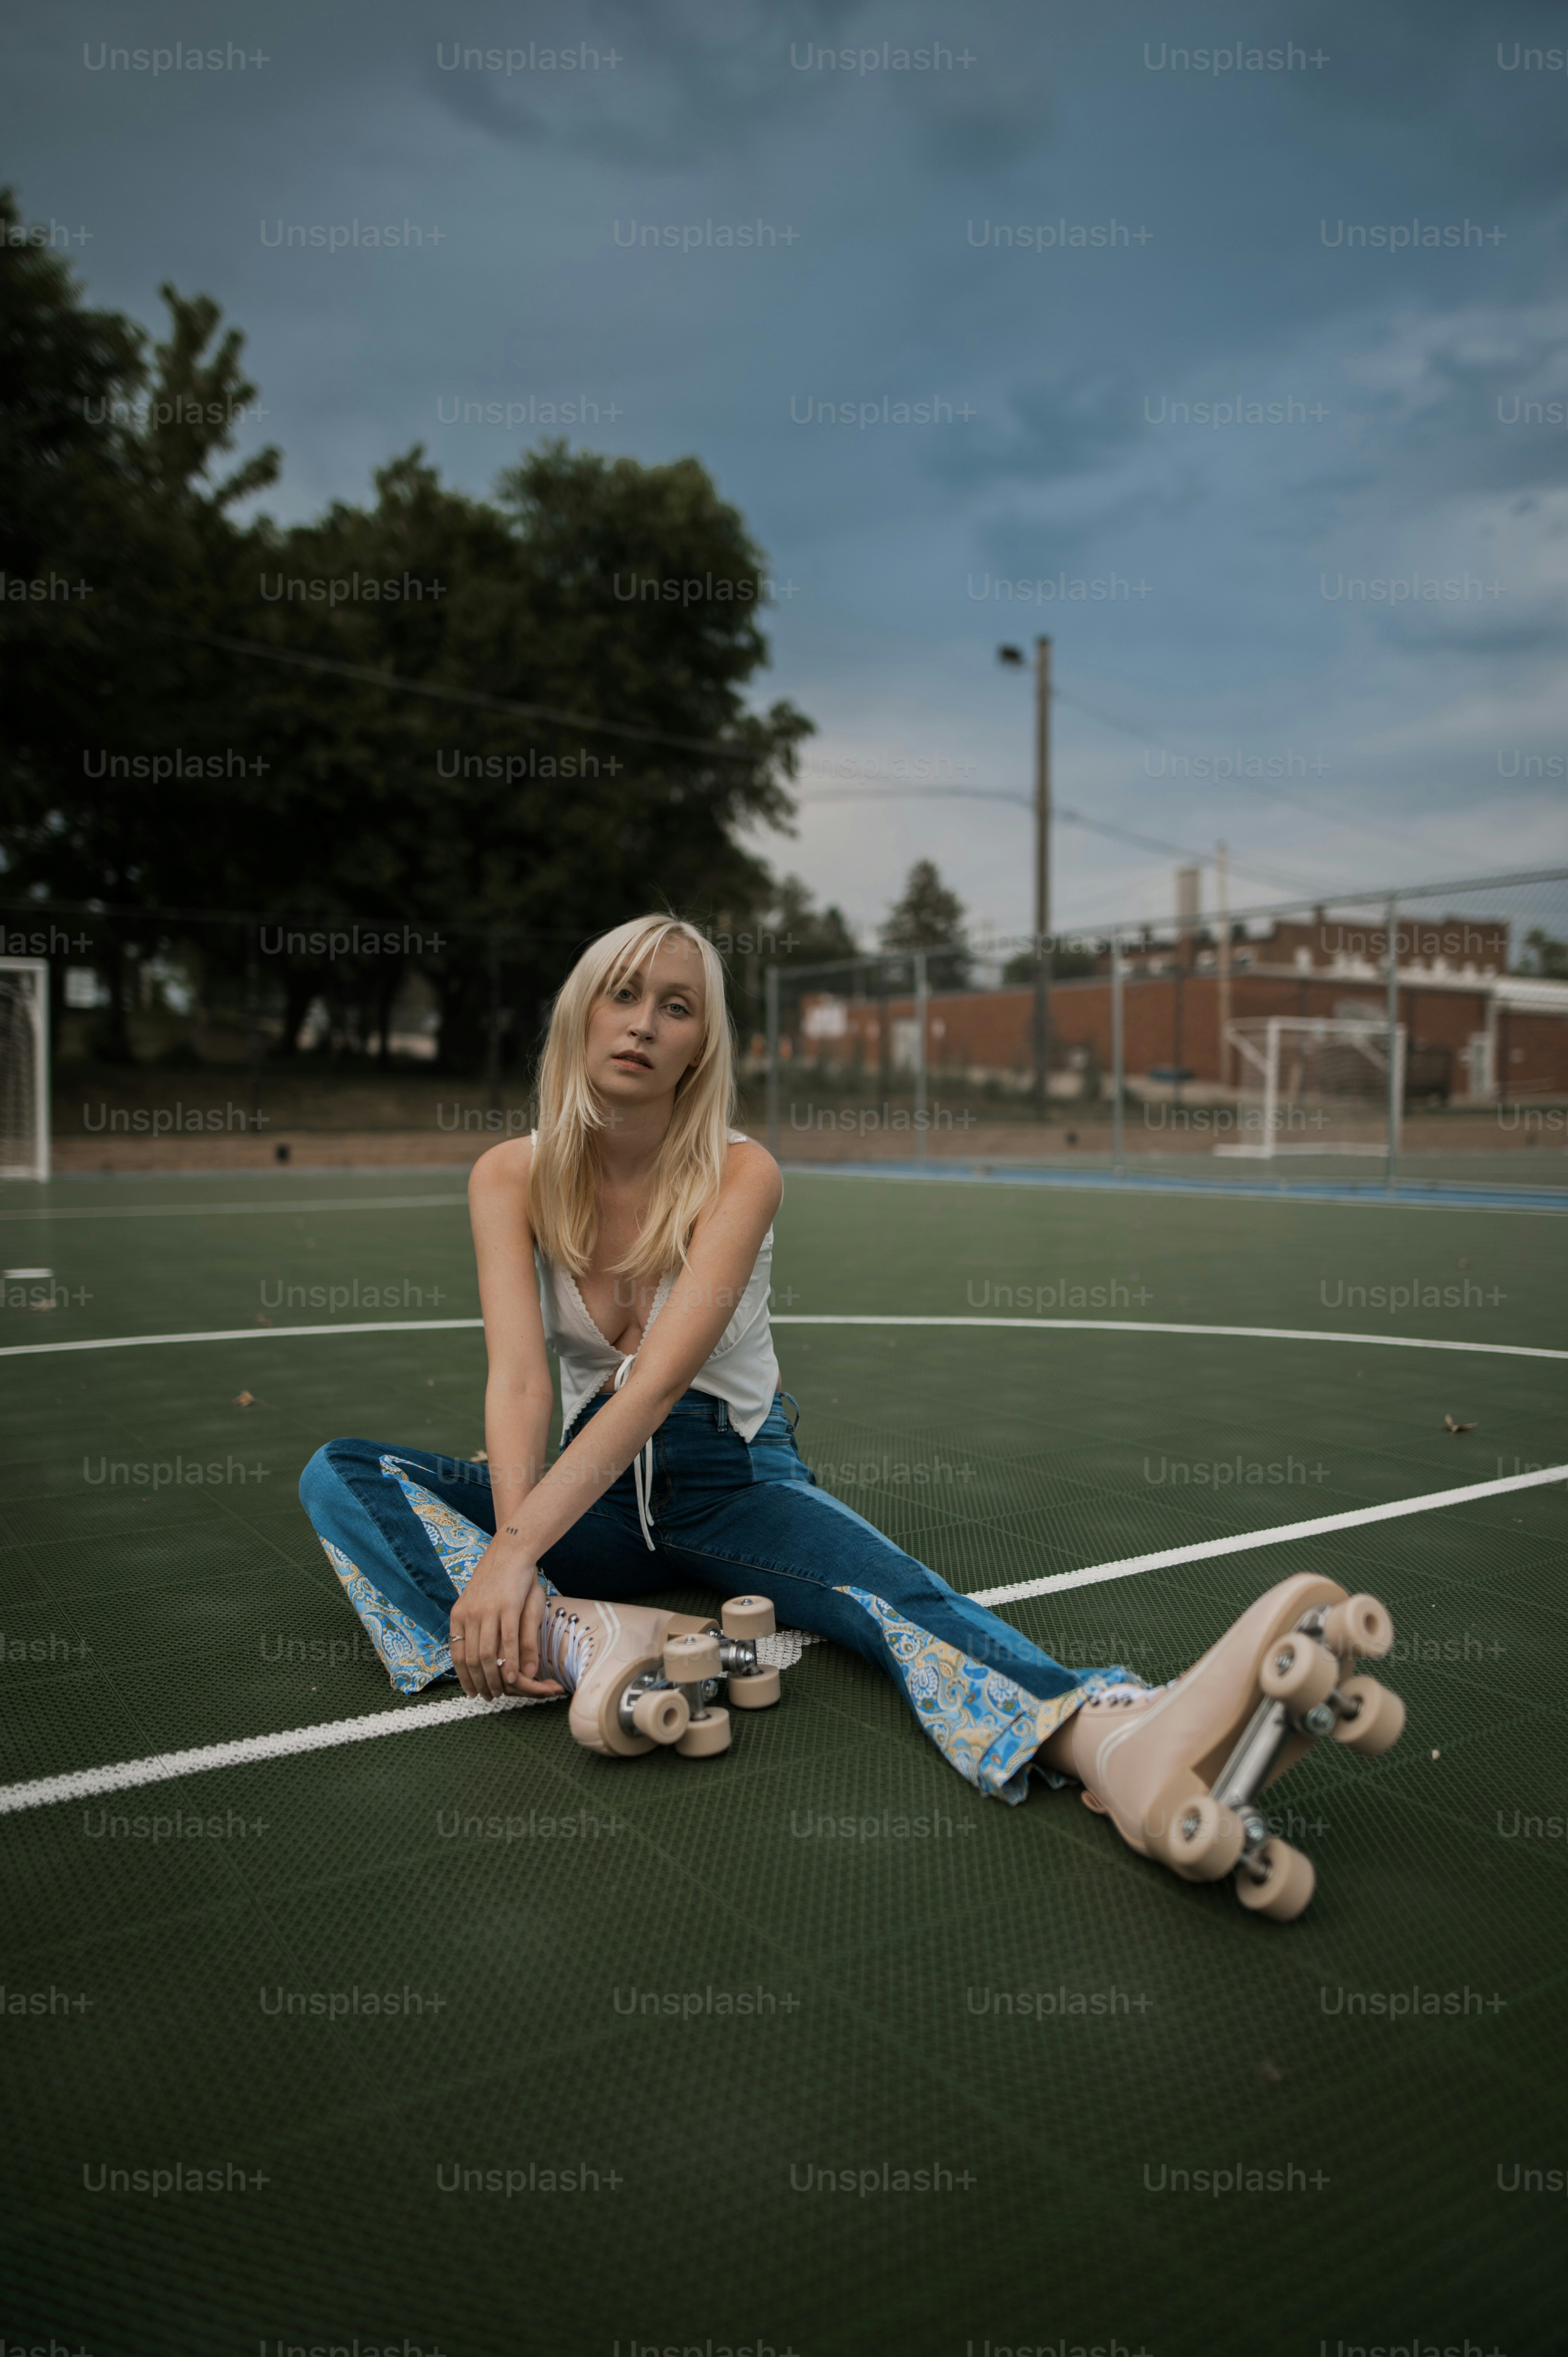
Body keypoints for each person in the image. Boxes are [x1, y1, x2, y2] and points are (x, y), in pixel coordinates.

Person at [300, 915, 1401, 1918]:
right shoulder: (509, 1175)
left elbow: (656, 1386)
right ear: (581, 1011)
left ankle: (1110, 1740)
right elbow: (520, 1384)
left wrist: (512, 1556)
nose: (642, 1023)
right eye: (623, 994)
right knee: (342, 1475)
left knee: (891, 1599)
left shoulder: (741, 1174)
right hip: (586, 1490)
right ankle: (581, 1633)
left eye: (676, 1006)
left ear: (700, 1046)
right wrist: (516, 1555)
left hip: (729, 1476)